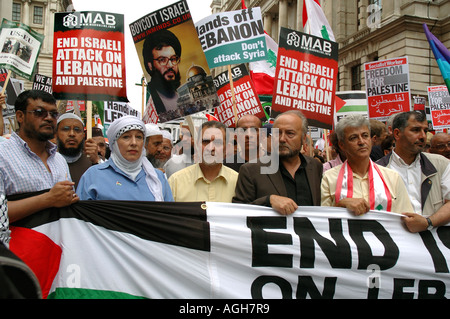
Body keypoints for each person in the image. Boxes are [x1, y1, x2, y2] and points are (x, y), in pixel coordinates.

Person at [0, 90, 78, 224]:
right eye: (39, 113)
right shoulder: (3, 155)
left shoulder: (59, 160)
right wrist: (48, 199)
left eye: (53, 114)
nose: (48, 118)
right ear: (20, 116)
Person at [232, 110, 323, 215]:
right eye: (278, 133)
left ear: (303, 139)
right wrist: (268, 201)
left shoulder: (315, 166)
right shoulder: (250, 170)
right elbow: (239, 212)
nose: (282, 139)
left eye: (290, 133)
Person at [321, 114, 413, 216]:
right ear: (342, 145)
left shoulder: (392, 177)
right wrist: (339, 206)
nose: (361, 142)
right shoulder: (329, 178)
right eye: (353, 138)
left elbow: (406, 219)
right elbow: (323, 222)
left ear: (370, 139)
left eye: (365, 136)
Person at [377, 111, 450, 232]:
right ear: (397, 133)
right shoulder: (377, 169)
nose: (422, 136)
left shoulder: (442, 164)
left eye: (425, 131)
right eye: (415, 130)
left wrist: (428, 222)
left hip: (436, 245)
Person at [76, 115, 173, 201]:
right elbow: (80, 218)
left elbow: (168, 216)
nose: (134, 143)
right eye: (126, 137)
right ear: (114, 143)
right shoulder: (93, 176)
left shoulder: (158, 178)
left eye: (139, 137)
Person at [168, 121, 238, 202]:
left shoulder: (238, 182)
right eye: (205, 142)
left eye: (218, 142)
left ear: (226, 148)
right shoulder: (176, 182)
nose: (210, 148)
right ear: (197, 145)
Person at [56, 113, 102, 189]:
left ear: (83, 135)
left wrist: (96, 161)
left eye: (77, 130)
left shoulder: (94, 160)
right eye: (66, 129)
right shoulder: (48, 161)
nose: (72, 134)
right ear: (56, 134)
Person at [143, 29, 182, 116]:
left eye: (173, 59)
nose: (170, 65)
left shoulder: (183, 98)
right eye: (162, 60)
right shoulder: (152, 99)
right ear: (150, 66)